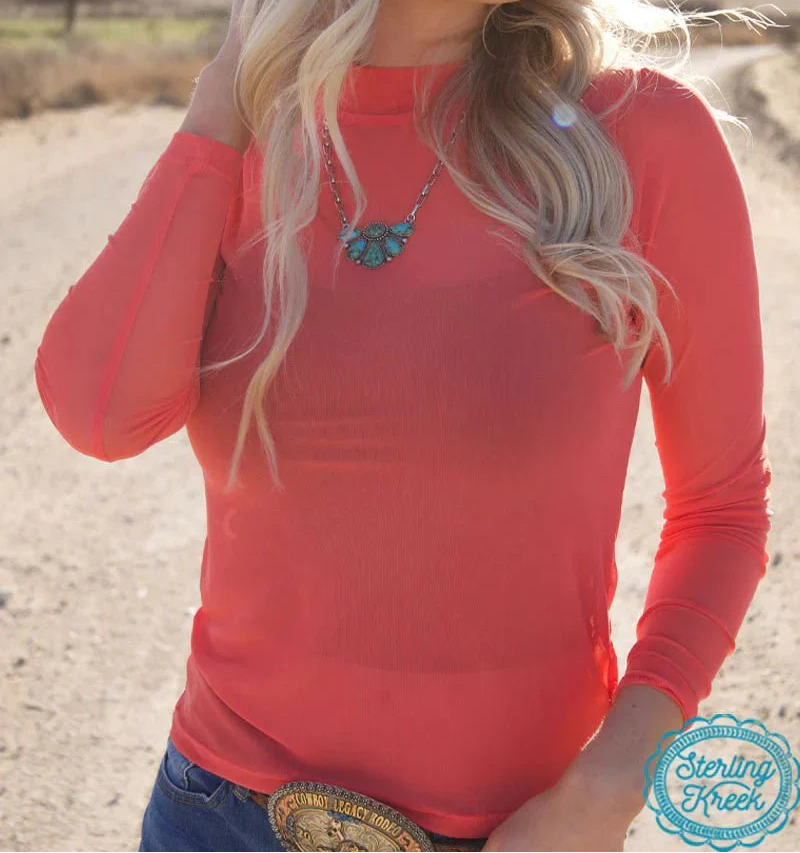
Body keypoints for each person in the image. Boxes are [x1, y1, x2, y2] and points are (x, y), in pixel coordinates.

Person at [33, 0, 774, 850]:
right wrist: (223, 96)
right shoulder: (251, 133)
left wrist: (605, 788)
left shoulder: (637, 134)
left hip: (515, 828)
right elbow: (100, 415)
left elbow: (722, 510)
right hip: (217, 813)